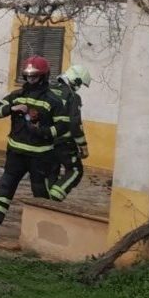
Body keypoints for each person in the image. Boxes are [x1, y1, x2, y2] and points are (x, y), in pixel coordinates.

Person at [0, 56, 69, 235]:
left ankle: (47, 232)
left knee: (40, 193)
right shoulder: (17, 95)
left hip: (40, 157)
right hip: (15, 153)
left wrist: (42, 131)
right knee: (5, 187)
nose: (31, 79)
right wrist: (12, 109)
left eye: (35, 76)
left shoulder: (53, 100)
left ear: (44, 76)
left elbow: (62, 127)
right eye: (28, 76)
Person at [48, 64, 91, 201]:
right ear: (75, 80)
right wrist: (83, 146)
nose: (79, 87)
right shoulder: (73, 97)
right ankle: (54, 198)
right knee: (75, 171)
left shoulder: (48, 91)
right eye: (80, 84)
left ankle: (45, 200)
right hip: (63, 143)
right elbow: (75, 124)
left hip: (45, 141)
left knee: (51, 171)